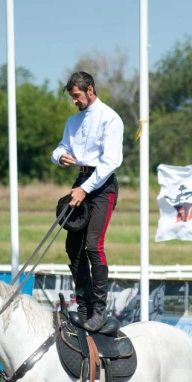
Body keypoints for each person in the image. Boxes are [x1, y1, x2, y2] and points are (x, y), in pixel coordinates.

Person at [51, 71, 124, 332]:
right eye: (72, 97)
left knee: (94, 245)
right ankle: (83, 307)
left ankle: (100, 312)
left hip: (102, 186)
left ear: (90, 90)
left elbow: (111, 162)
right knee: (73, 247)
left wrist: (84, 189)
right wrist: (60, 157)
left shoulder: (110, 119)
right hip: (80, 182)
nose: (74, 101)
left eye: (77, 96)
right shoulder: (73, 121)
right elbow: (60, 148)